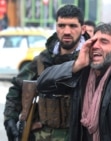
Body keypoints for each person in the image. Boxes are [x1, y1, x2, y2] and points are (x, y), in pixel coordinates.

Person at [36, 21, 111, 141]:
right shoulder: (81, 71)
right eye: (94, 41)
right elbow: (42, 84)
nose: (95, 46)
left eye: (104, 42)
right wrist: (76, 65)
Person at [3, 4, 90, 141]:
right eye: (61, 26)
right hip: (43, 135)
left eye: (73, 26)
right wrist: (10, 120)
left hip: (79, 135)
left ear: (83, 28)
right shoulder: (43, 60)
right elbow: (17, 87)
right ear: (56, 27)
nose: (67, 31)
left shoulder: (91, 60)